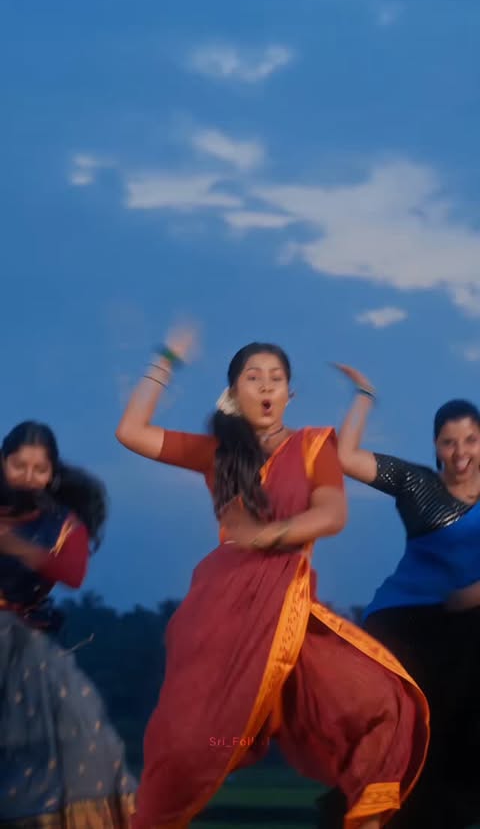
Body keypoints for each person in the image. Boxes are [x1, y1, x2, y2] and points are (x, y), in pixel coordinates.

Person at [115, 331, 429, 829]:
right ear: (233, 393)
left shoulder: (313, 446)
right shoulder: (218, 452)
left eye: (276, 378)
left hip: (289, 611)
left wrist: (268, 535)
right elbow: (131, 432)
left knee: (381, 704)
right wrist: (167, 360)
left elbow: (331, 513)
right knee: (195, 746)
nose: (265, 386)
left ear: (289, 394)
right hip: (223, 615)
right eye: (253, 377)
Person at [333, 363, 480, 828]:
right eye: (449, 442)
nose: (461, 452)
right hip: (406, 620)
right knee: (404, 724)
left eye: (471, 440)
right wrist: (364, 395)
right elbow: (345, 456)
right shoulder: (416, 483)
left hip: (466, 624)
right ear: (436, 447)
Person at [0, 420, 135, 827]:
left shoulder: (63, 524)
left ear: (52, 475)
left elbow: (73, 573)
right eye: (18, 466)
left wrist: (18, 547)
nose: (28, 477)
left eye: (38, 469)